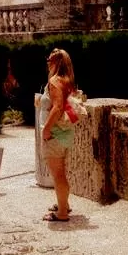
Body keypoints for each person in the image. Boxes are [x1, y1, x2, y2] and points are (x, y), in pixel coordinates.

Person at [38, 48, 77, 222]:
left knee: (58, 174)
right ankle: (64, 205)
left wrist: (46, 129)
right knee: (61, 172)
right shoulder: (67, 80)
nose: (47, 63)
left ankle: (62, 213)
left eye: (49, 61)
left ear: (56, 63)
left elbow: (58, 107)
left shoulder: (54, 81)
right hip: (64, 133)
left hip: (54, 134)